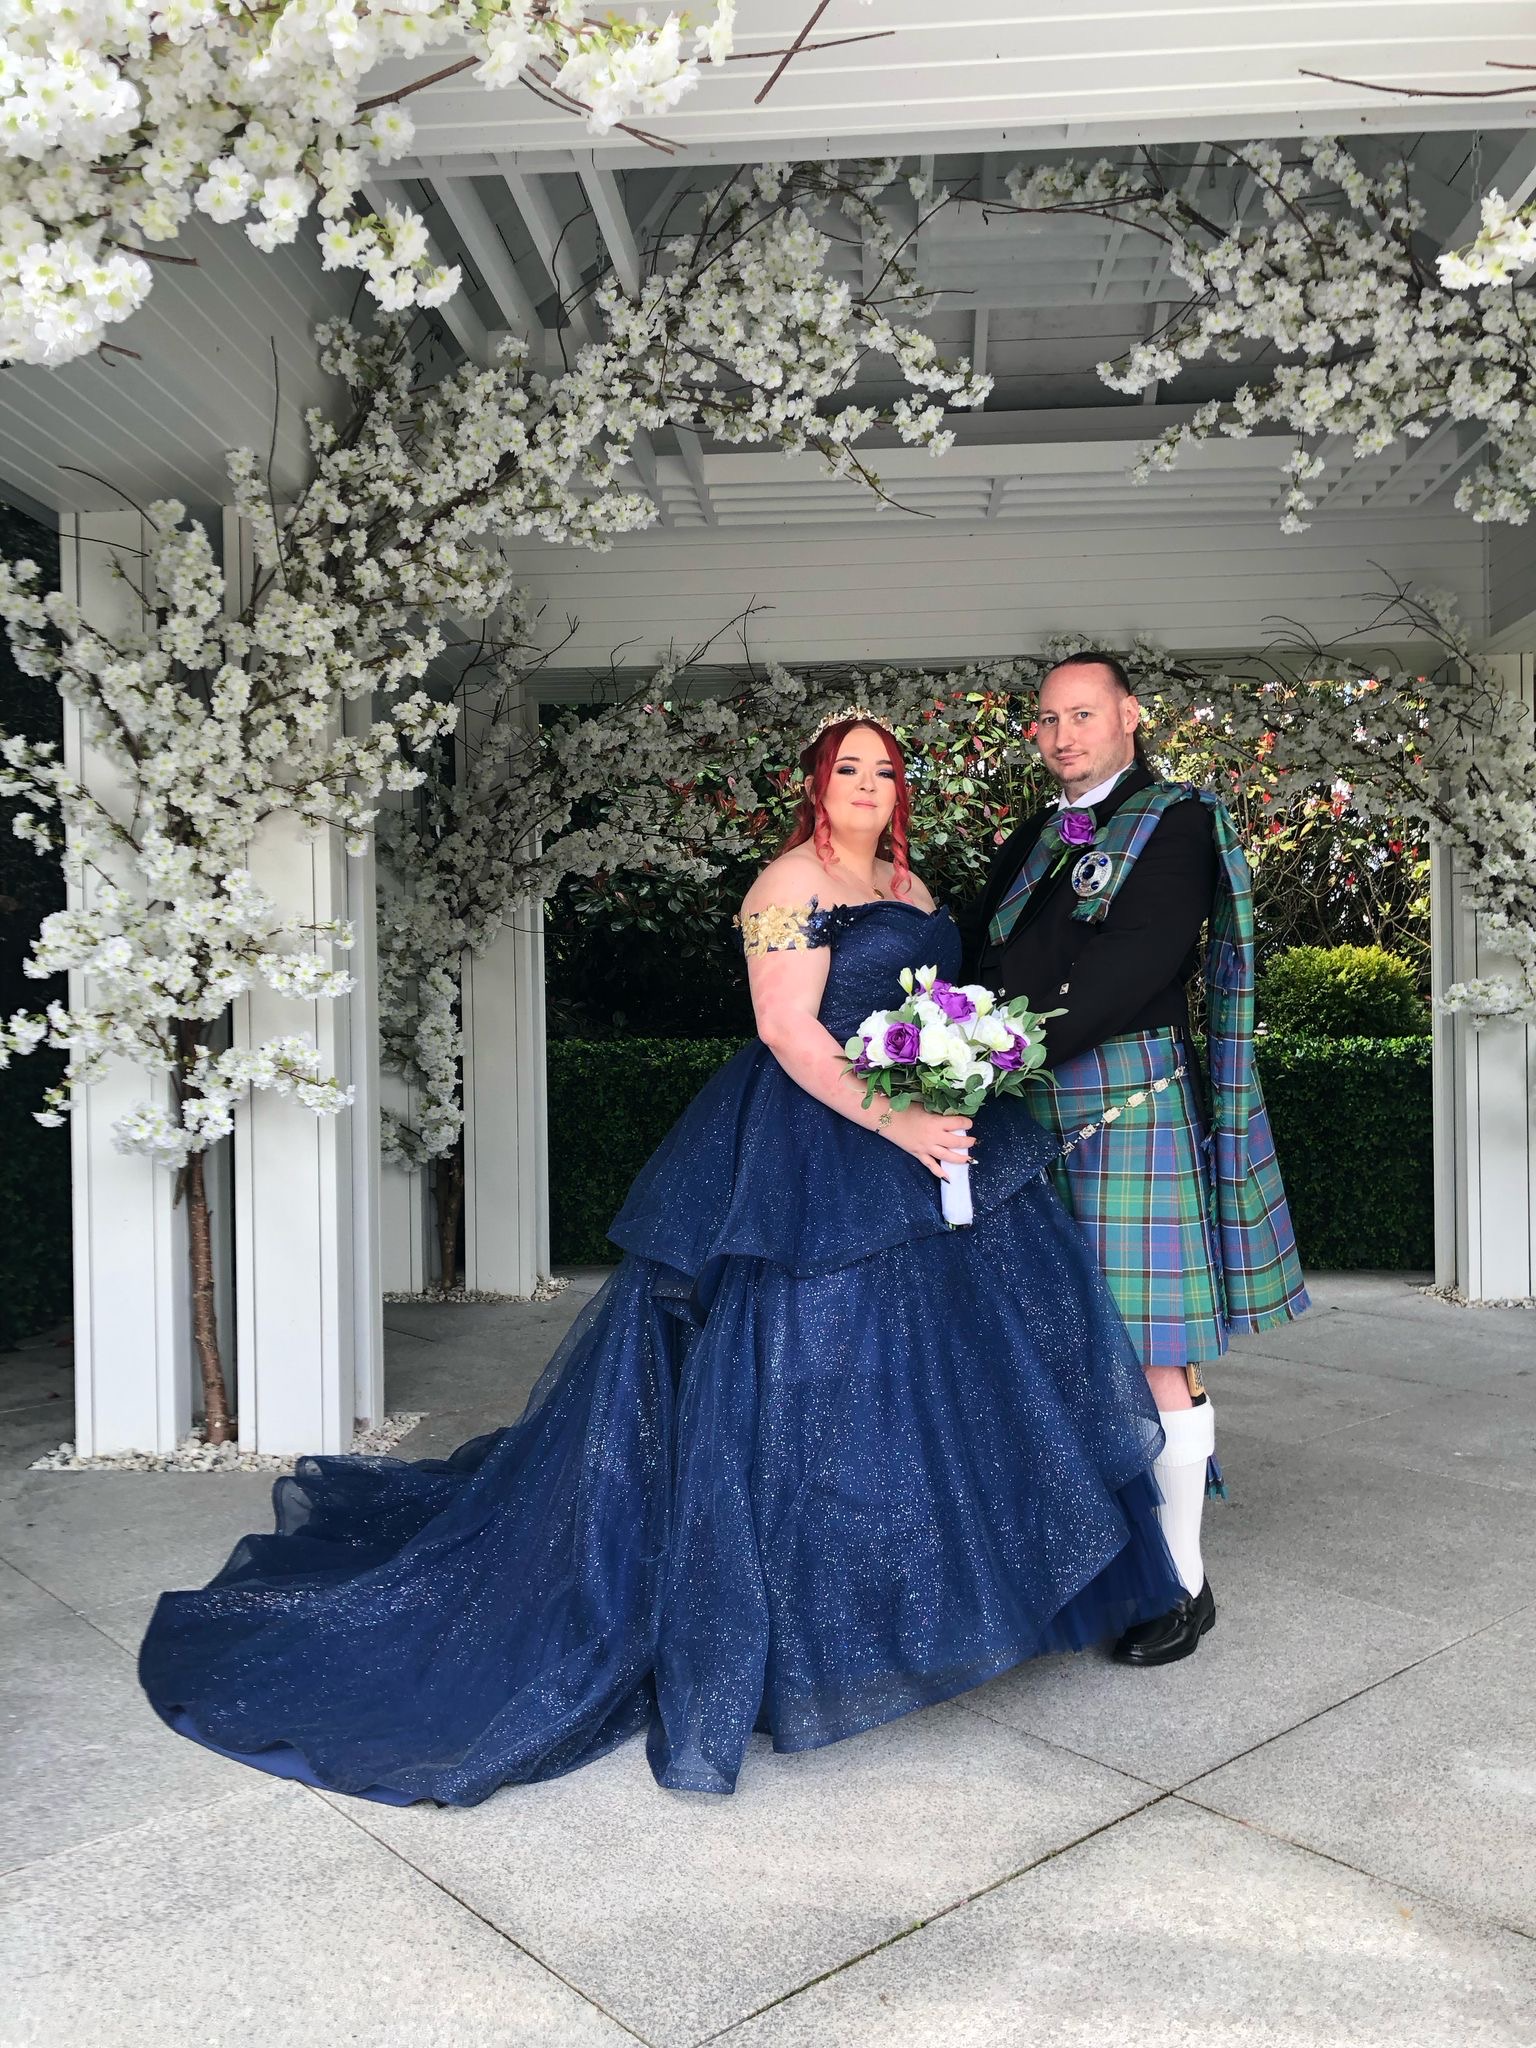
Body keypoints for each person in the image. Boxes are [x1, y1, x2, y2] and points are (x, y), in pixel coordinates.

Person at [140, 711, 1186, 1806]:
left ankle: (924, 1592)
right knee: (806, 1374)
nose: (868, 783)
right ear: (816, 781)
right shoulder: (787, 883)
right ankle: (807, 1623)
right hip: (823, 1142)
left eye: (884, 769)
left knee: (941, 1375)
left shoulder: (913, 886)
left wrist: (952, 1073)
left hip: (924, 1133)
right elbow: (789, 1030)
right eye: (849, 767)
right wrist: (903, 1123)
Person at [966, 654, 1310, 1666]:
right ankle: (1083, 1562)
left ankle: (1182, 1586)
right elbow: (989, 957)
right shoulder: (1036, 835)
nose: (1062, 735)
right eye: (1046, 720)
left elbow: (1135, 963)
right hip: (1023, 1103)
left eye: (1082, 714)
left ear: (1128, 715)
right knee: (1040, 1340)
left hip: (1127, 1103)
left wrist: (995, 1049)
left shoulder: (1177, 818)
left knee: (1155, 1349)